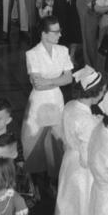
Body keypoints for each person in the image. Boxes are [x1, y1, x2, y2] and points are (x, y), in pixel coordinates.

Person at [52, 66, 106, 215]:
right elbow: (88, 155)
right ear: (97, 93)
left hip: (70, 164)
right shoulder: (84, 120)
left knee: (73, 213)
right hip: (83, 171)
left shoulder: (72, 106)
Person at [21, 16, 73, 177]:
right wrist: (58, 80)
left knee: (57, 139)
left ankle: (55, 174)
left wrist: (48, 81)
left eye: (60, 31)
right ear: (44, 34)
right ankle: (37, 176)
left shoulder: (63, 50)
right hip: (39, 101)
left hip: (56, 99)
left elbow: (69, 78)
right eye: (55, 32)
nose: (60, 35)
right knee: (35, 138)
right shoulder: (32, 54)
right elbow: (37, 84)